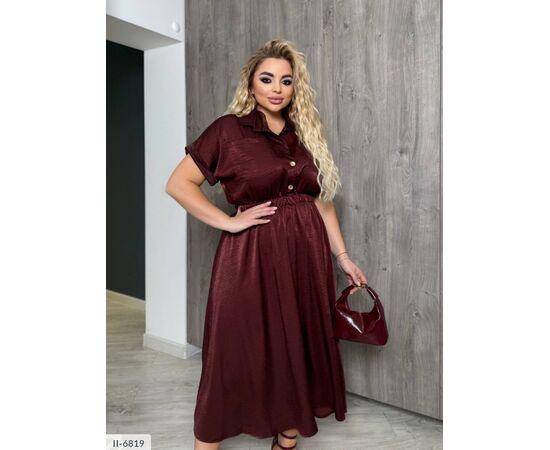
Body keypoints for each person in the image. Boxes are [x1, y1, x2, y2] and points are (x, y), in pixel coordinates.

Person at [165, 38, 368, 450]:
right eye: (267, 79)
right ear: (251, 84)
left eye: (286, 81)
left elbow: (321, 203)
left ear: (295, 88)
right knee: (235, 350)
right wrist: (228, 222)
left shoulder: (304, 133)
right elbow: (178, 183)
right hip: (251, 258)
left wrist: (343, 257)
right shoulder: (228, 130)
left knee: (298, 345)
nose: (277, 88)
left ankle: (286, 439)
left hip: (305, 258)